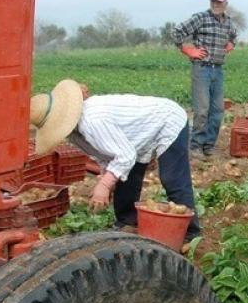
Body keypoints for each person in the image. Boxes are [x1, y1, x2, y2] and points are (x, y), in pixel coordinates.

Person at [29, 80, 201, 241]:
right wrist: (107, 180)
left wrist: (104, 185)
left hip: (167, 120)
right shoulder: (74, 133)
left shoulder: (92, 120)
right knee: (127, 177)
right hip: (135, 135)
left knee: (172, 177)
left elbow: (125, 156)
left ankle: (190, 232)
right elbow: (106, 155)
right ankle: (127, 221)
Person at [172, 0, 237, 159]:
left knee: (217, 111)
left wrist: (231, 44)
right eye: (213, 1)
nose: (216, 4)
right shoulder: (201, 18)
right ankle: (195, 146)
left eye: (219, 2)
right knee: (202, 110)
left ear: (225, 4)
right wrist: (188, 50)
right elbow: (176, 32)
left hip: (218, 70)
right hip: (202, 68)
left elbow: (234, 36)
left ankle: (209, 146)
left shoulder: (228, 22)